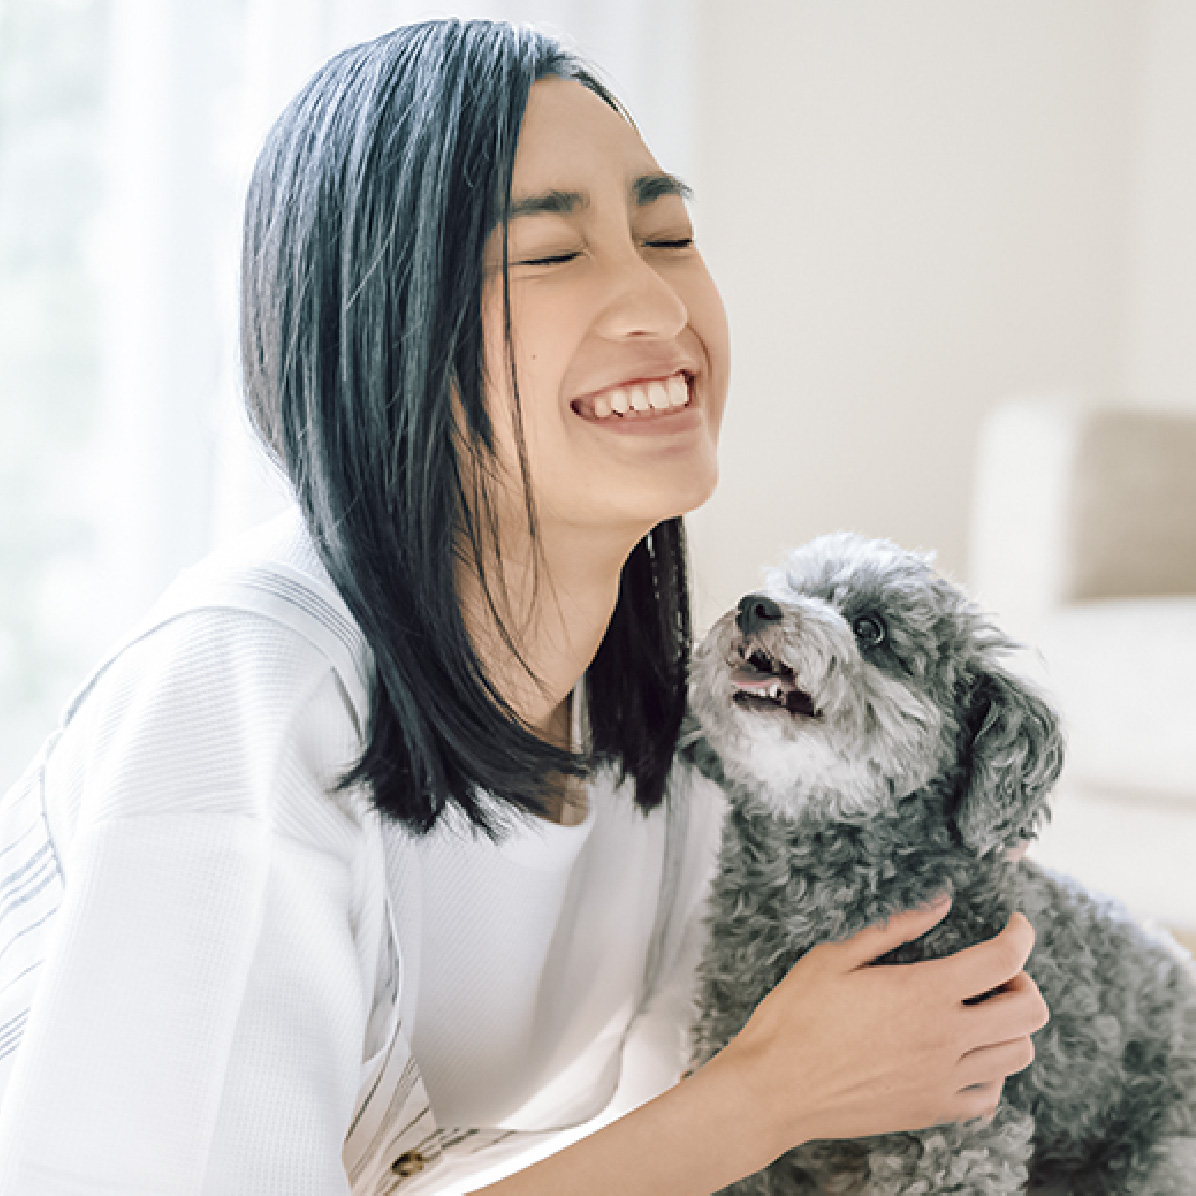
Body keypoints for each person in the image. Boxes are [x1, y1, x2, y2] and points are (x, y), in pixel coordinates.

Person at [0, 18, 1049, 1195]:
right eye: (551, 254)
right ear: (383, 325)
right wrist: (769, 1093)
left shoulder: (664, 721)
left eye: (667, 233)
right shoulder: (246, 688)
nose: (657, 303)